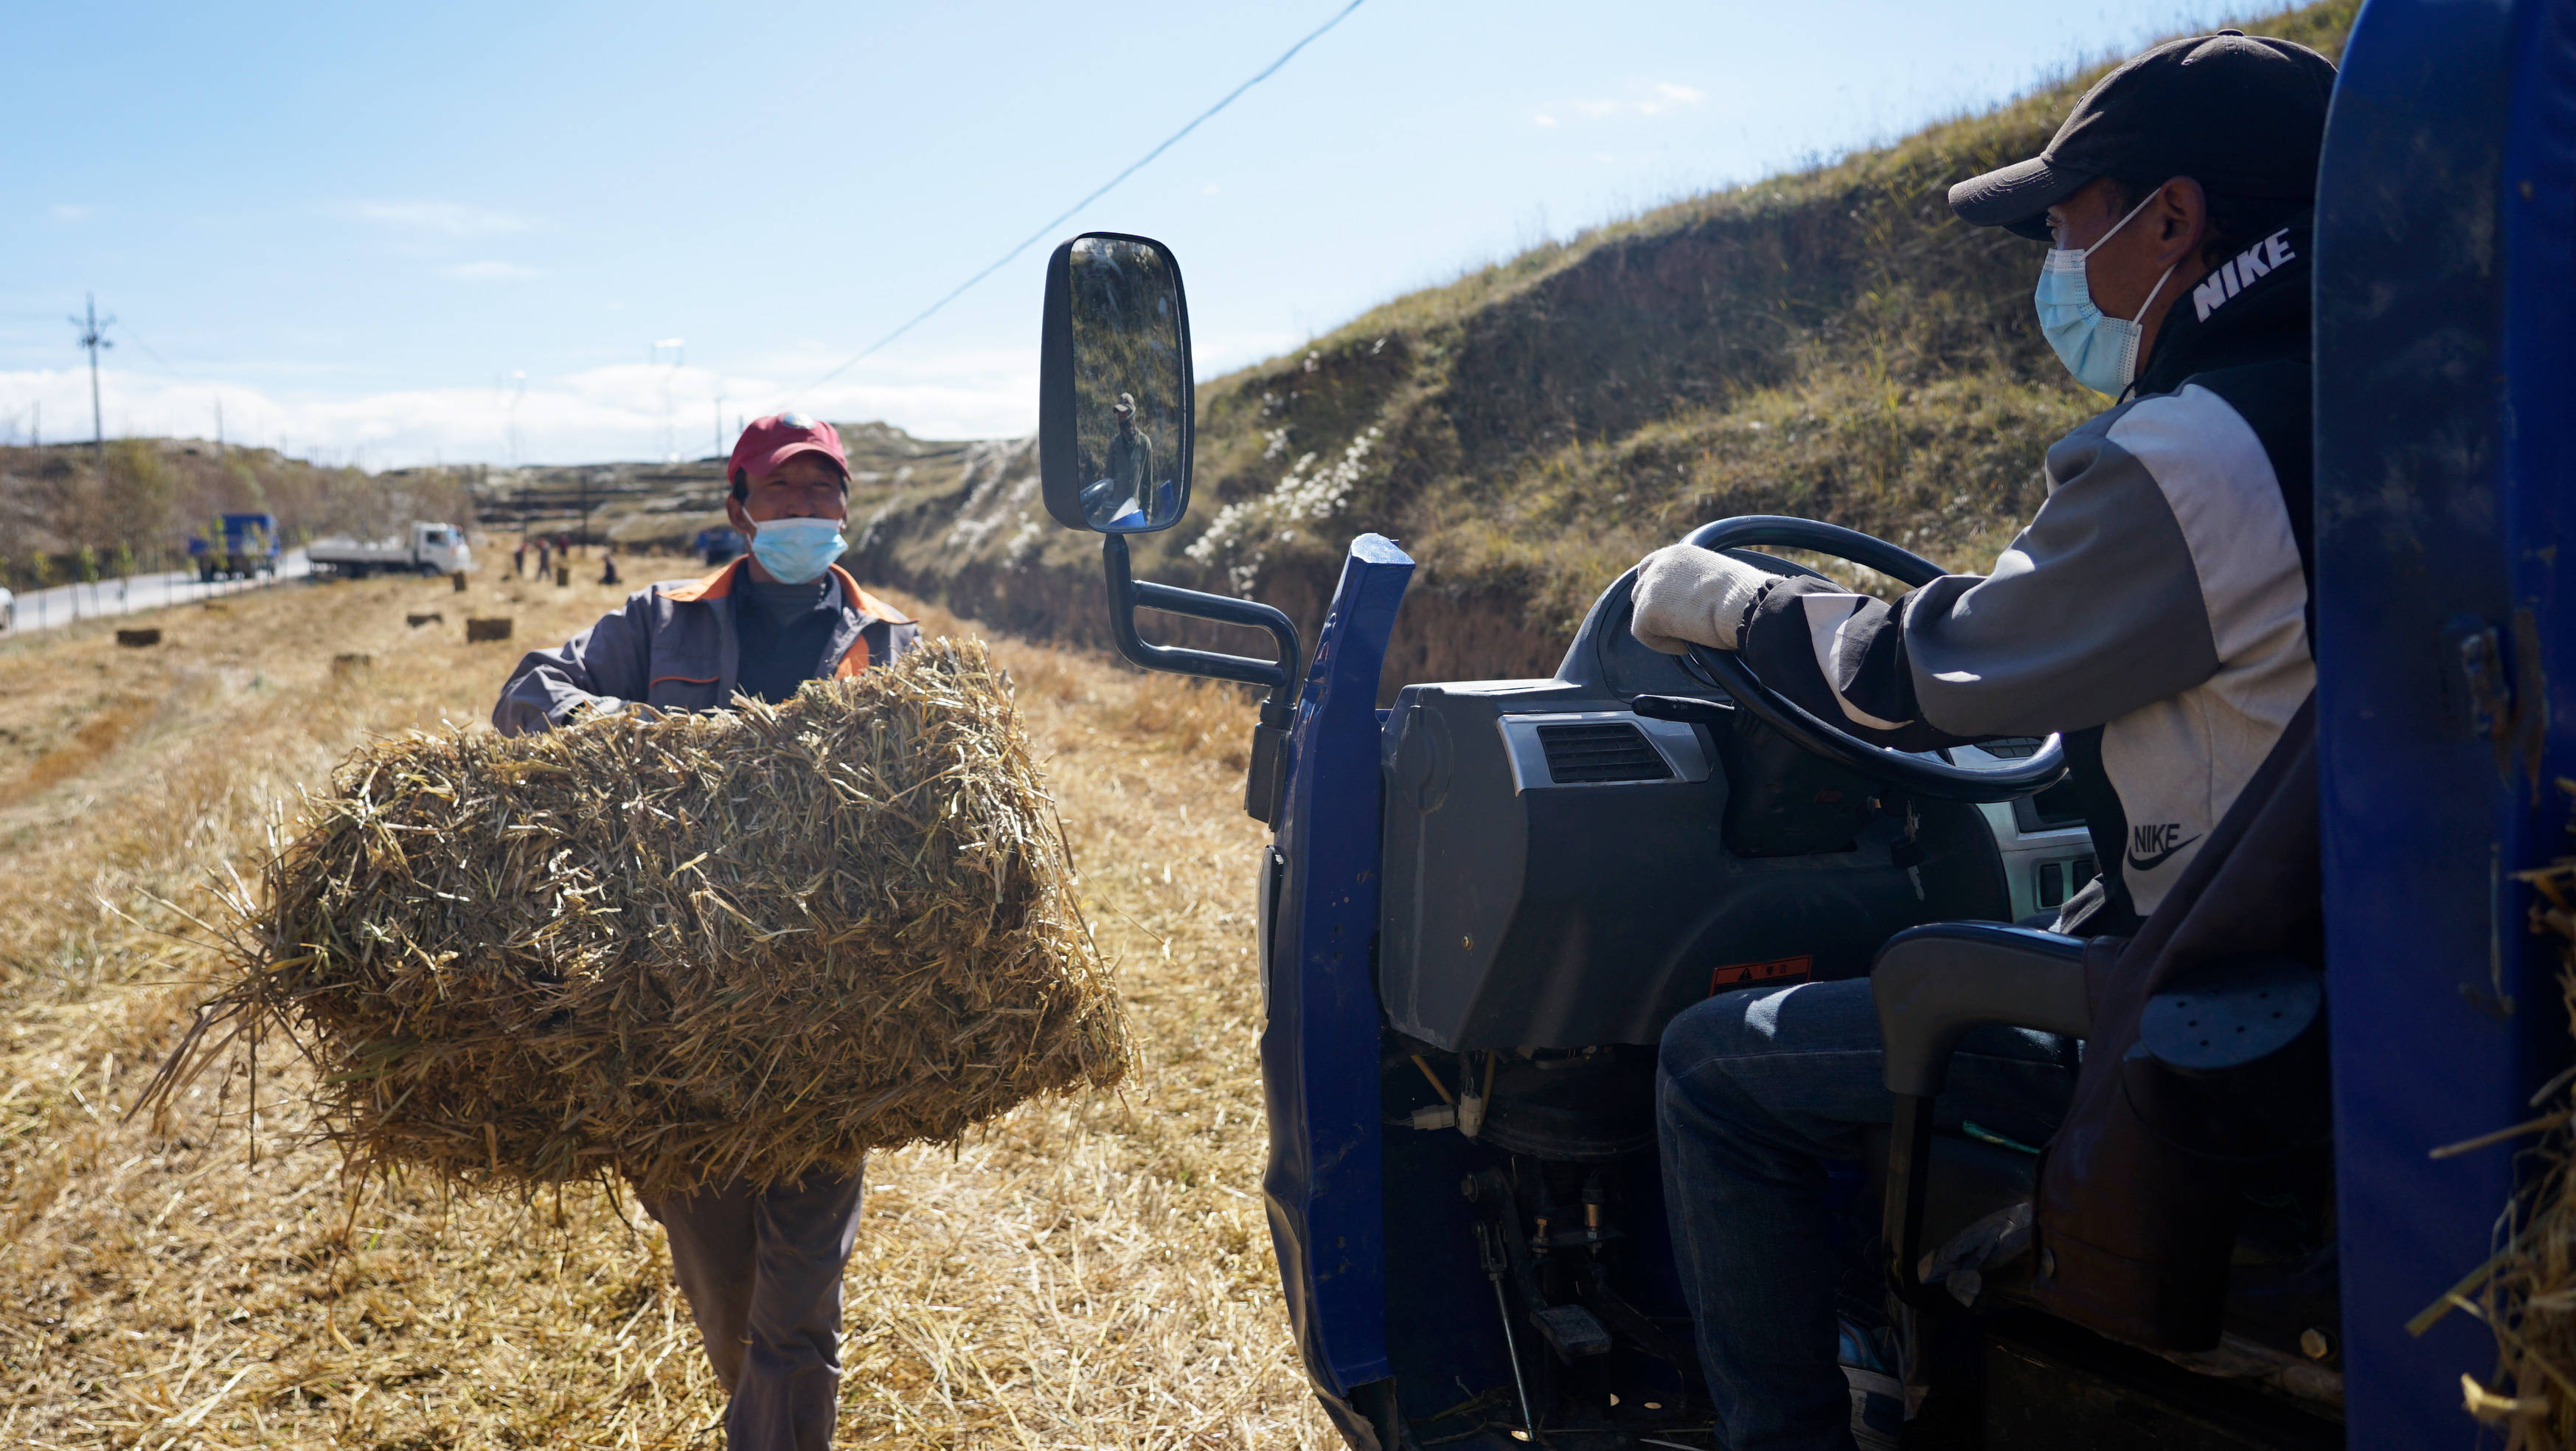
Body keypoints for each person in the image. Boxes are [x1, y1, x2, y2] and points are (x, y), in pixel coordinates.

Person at [1629, 32, 2333, 1450]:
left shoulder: (2190, 454)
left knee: (1714, 1068)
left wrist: (1732, 600)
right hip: (2335, 1002)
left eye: (2066, 225)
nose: (2056, 264)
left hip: (2211, 1033)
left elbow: (1901, 680)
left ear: (2173, 224)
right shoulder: (2370, 408)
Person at [492, 412, 918, 1451]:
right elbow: (525, 696)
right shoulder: (660, 620)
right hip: (673, 1015)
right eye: (784, 495)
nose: (808, 513)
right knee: (729, 1289)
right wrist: (649, 740)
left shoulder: (891, 644)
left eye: (825, 496)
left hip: (826, 1016)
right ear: (739, 511)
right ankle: (763, 1420)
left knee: (799, 1314)